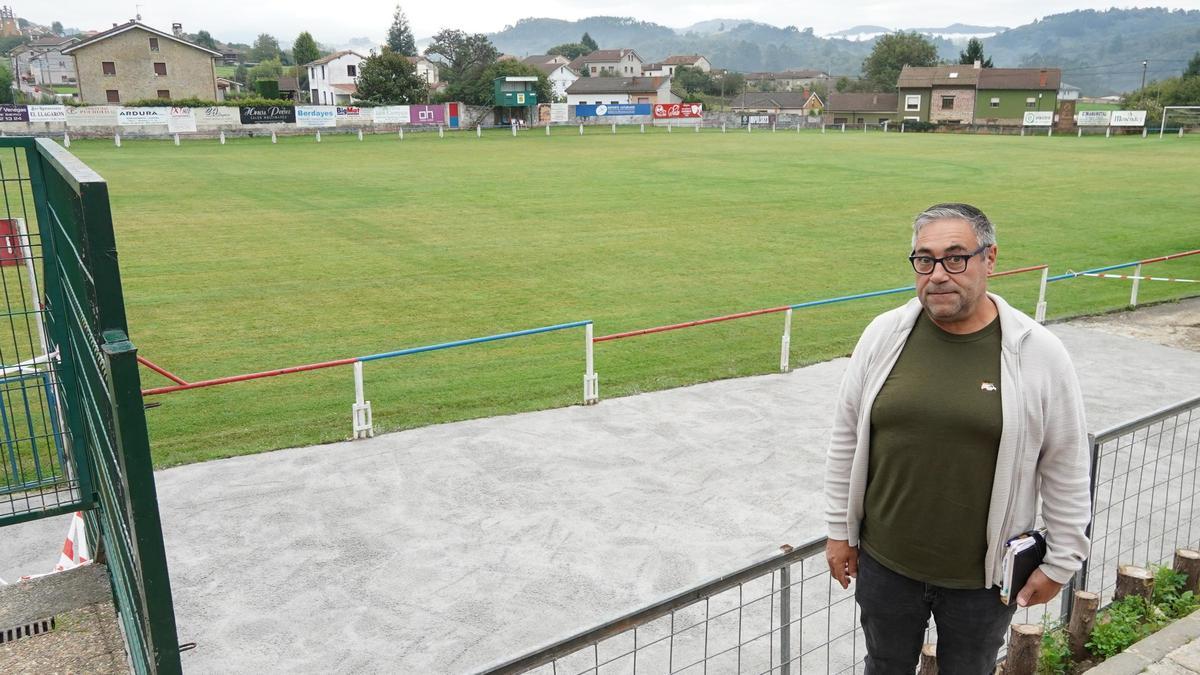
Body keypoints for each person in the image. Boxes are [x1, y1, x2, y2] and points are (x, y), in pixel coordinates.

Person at [823, 203, 1092, 675]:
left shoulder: (1038, 352)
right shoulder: (885, 334)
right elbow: (846, 436)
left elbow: (1066, 462)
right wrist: (838, 532)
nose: (938, 274)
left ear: (989, 259)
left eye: (955, 257)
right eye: (924, 260)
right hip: (885, 565)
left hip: (982, 583)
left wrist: (1062, 561)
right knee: (883, 665)